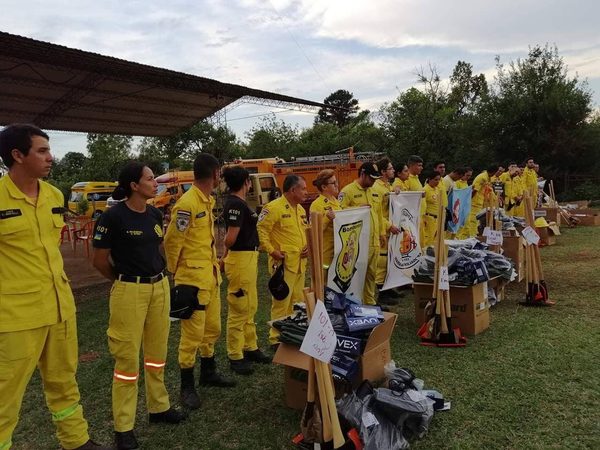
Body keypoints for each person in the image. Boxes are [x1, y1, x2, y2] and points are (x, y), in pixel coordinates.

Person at [0, 124, 110, 450]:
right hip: (16, 315)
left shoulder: (54, 195)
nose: (51, 157)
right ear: (17, 156)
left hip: (60, 305)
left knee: (64, 381)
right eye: (42, 151)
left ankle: (76, 441)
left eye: (49, 149)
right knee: (6, 392)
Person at [93, 162, 186, 449]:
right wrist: (123, 281)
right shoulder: (112, 218)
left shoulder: (154, 213)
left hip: (159, 288)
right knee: (127, 361)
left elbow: (157, 249)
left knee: (157, 354)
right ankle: (124, 427)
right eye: (149, 179)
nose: (155, 183)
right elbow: (99, 261)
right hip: (129, 291)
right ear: (134, 185)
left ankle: (159, 408)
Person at [164, 154, 235, 411]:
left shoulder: (206, 200)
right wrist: (175, 275)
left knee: (212, 328)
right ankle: (186, 385)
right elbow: (173, 242)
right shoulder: (187, 203)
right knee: (191, 336)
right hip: (192, 280)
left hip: (210, 277)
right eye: (220, 174)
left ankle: (208, 371)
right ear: (216, 174)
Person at [221, 166, 271, 376]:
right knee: (239, 307)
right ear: (246, 183)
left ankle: (250, 346)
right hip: (240, 259)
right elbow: (230, 239)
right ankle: (235, 354)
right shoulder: (235, 204)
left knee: (250, 305)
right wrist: (225, 255)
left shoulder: (240, 204)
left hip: (248, 258)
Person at [257, 175, 309, 347]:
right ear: (293, 190)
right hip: (283, 265)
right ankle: (275, 339)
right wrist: (272, 251)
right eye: (303, 188)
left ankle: (291, 335)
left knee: (297, 303)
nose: (306, 192)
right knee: (281, 303)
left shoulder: (300, 210)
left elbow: (304, 231)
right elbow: (262, 230)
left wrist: (307, 246)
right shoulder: (273, 208)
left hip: (299, 265)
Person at [339, 162, 399, 305]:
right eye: (371, 178)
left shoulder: (374, 191)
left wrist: (384, 231)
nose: (373, 182)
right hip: (357, 243)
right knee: (357, 275)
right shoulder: (348, 191)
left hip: (374, 242)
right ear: (363, 174)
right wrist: (356, 209)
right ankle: (355, 304)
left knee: (371, 275)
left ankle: (370, 303)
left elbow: (378, 215)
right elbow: (339, 214)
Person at [372, 157, 398, 303]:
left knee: (390, 259)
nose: (393, 170)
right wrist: (388, 226)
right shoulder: (377, 188)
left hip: (391, 229)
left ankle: (388, 288)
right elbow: (377, 213)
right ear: (382, 172)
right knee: (382, 262)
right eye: (390, 168)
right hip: (384, 229)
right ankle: (382, 292)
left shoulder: (388, 186)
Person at [309, 169, 342, 272]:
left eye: (336, 182)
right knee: (324, 283)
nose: (337, 185)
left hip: (338, 250)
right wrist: (327, 218)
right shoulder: (317, 205)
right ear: (324, 187)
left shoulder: (336, 202)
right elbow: (313, 230)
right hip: (325, 254)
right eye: (333, 183)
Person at [422, 171, 442, 248]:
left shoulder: (437, 189)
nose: (437, 182)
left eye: (439, 180)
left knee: (435, 240)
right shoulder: (425, 189)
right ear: (430, 179)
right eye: (435, 180)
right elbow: (423, 205)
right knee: (428, 239)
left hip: (437, 218)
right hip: (429, 218)